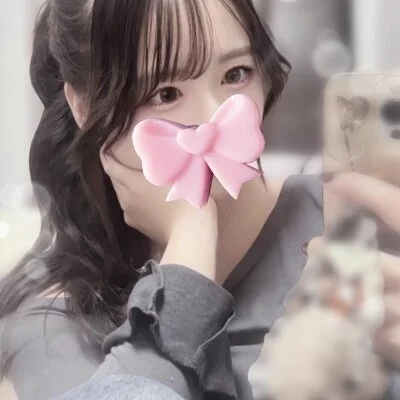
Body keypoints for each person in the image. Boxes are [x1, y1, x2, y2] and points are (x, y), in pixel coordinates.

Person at [0, 0, 399, 399]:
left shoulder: (353, 223)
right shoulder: (57, 325)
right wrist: (191, 237)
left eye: (236, 74)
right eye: (165, 94)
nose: (213, 117)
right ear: (84, 108)